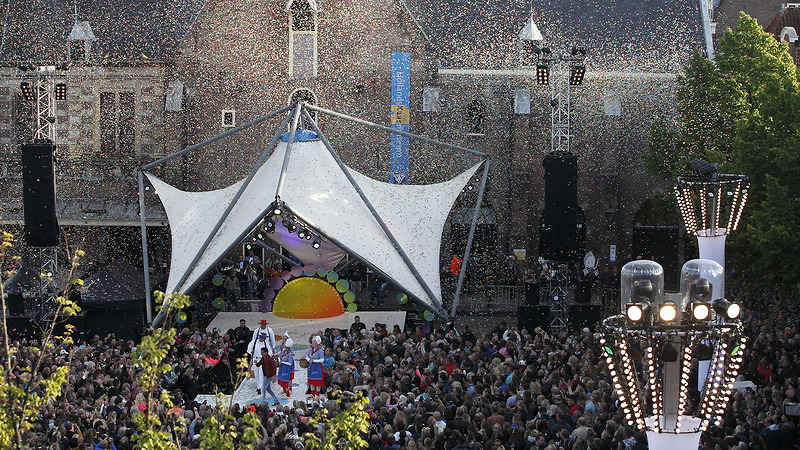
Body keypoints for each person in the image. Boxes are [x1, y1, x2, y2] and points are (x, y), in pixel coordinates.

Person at [306, 335, 325, 400]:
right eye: (312, 342)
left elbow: (322, 360)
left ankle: (317, 395)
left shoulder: (320, 351)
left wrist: (313, 361)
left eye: (313, 342)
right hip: (311, 367)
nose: (312, 344)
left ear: (317, 343)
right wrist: (309, 360)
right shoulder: (310, 350)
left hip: (317, 367)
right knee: (311, 382)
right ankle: (312, 395)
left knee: (317, 382)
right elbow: (307, 357)